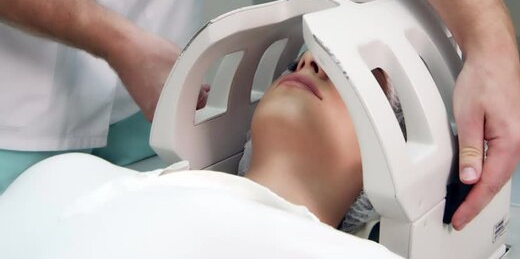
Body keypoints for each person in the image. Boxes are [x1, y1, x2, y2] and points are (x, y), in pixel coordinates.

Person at [0, 0, 520, 230]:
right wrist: (116, 41)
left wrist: (489, 41)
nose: (312, 61)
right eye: (312, 53)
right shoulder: (65, 188)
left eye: (366, 84)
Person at [0, 52, 400, 258]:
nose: (310, 62)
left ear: (391, 155)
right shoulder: (72, 174)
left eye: (350, 76)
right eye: (296, 61)